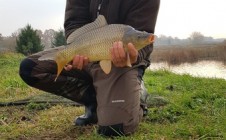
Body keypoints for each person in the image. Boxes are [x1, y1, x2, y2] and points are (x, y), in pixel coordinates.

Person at [19, 0, 160, 137]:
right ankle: (95, 100)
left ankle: (137, 96)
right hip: (87, 50)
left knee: (114, 128)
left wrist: (133, 56)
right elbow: (74, 22)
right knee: (30, 69)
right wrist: (76, 51)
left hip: (122, 65)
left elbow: (144, 37)